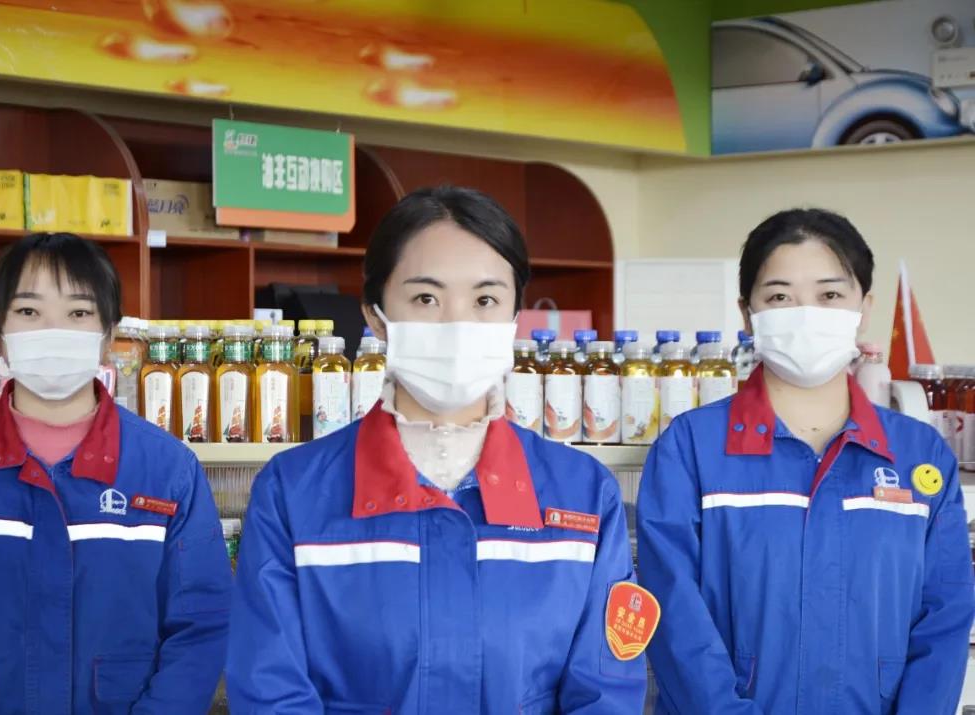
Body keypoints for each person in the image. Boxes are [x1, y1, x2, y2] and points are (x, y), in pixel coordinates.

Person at [226, 186, 647, 712]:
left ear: (515, 318)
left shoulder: (582, 496)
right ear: (376, 316)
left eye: (485, 300)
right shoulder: (294, 492)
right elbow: (271, 689)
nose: (457, 324)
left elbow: (604, 692)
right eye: (426, 299)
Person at [637, 209, 975, 714]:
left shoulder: (919, 455)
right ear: (747, 313)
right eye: (779, 297)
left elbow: (945, 616)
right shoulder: (691, 448)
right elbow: (672, 613)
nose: (805, 314)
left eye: (830, 295)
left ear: (864, 306)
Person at [0, 233, 232, 714]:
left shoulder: (168, 471)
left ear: (109, 335)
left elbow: (201, 625)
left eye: (78, 312)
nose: (53, 331)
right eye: (28, 311)